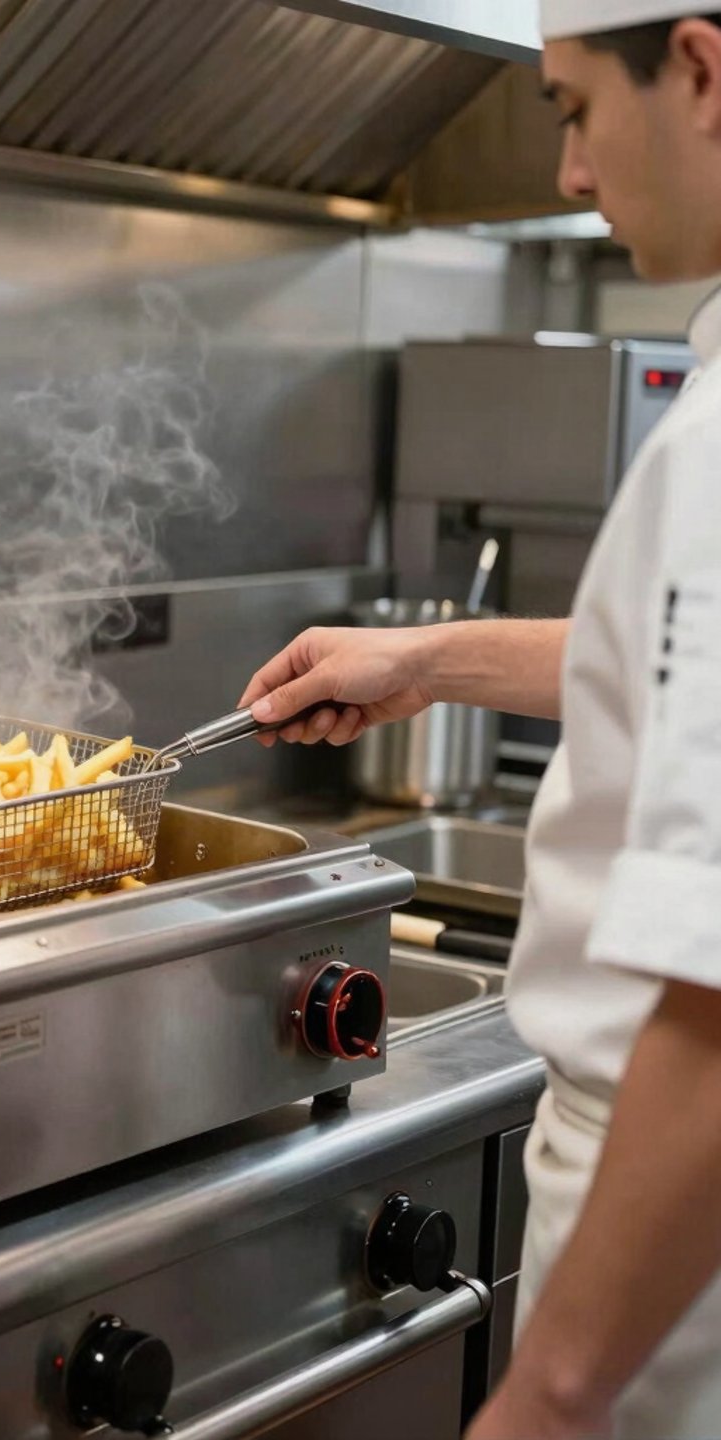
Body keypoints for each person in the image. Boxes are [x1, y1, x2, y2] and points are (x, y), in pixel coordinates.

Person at [238, 5, 721, 1436]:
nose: (569, 170)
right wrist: (433, 660)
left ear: (701, 71)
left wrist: (548, 1400)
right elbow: (662, 666)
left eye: (573, 108)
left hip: (665, 1248)